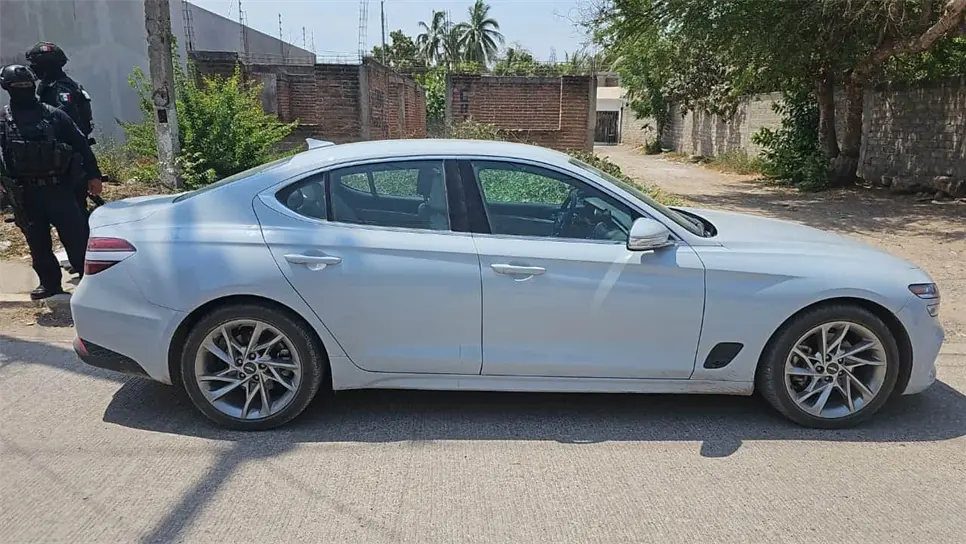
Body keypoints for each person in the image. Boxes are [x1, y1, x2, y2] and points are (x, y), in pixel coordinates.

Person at [0, 64, 102, 300]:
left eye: (27, 85)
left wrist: (93, 176)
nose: (23, 89)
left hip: (59, 188)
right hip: (25, 193)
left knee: (76, 237)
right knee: (37, 242)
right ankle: (49, 284)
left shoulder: (54, 114)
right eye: (17, 86)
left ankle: (91, 283)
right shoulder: (4, 120)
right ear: (7, 88)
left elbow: (81, 144)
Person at [26, 42, 98, 220]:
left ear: (46, 65)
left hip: (68, 159)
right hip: (62, 158)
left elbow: (65, 125)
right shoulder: (51, 86)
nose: (33, 69)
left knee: (74, 213)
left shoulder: (61, 90)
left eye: (36, 64)